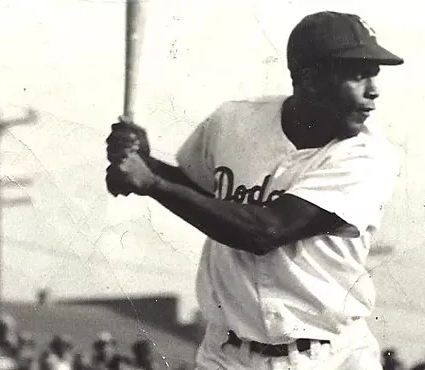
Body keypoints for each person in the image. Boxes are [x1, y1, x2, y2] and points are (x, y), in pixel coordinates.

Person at [106, 10, 403, 370]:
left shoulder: (369, 157)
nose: (373, 91)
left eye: (373, 75)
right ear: (308, 80)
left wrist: (151, 182)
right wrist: (145, 162)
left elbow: (265, 230)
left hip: (327, 357)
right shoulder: (233, 122)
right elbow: (204, 197)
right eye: (357, 75)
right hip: (226, 355)